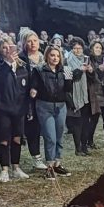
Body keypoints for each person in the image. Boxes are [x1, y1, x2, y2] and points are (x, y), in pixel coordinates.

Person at [29, 45, 77, 178]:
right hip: (45, 106)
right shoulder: (39, 70)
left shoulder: (65, 70)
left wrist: (69, 77)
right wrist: (33, 91)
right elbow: (33, 85)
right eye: (52, 55)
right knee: (50, 136)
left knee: (59, 136)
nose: (55, 58)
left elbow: (68, 88)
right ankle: (49, 166)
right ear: (47, 56)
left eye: (57, 56)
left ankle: (57, 164)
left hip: (60, 106)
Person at [0, 37, 31, 183]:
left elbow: (25, 88)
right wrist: (8, 64)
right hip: (2, 108)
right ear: (0, 50)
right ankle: (4, 169)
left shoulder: (21, 66)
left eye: (10, 47)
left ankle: (16, 167)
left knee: (17, 138)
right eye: (4, 47)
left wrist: (28, 107)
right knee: (4, 139)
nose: (7, 50)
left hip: (18, 108)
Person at [19, 30, 46, 171]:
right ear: (24, 43)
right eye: (29, 41)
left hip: (45, 97)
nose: (32, 43)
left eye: (35, 40)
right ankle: (36, 158)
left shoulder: (44, 56)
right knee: (33, 129)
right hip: (30, 99)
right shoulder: (21, 59)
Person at [63, 38, 93, 156]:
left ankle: (84, 146)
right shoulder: (67, 60)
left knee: (86, 121)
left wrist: (90, 71)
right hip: (74, 95)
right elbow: (68, 79)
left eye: (79, 48)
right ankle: (78, 148)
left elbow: (92, 79)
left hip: (85, 95)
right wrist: (80, 70)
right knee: (77, 123)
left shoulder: (86, 59)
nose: (77, 50)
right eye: (75, 48)